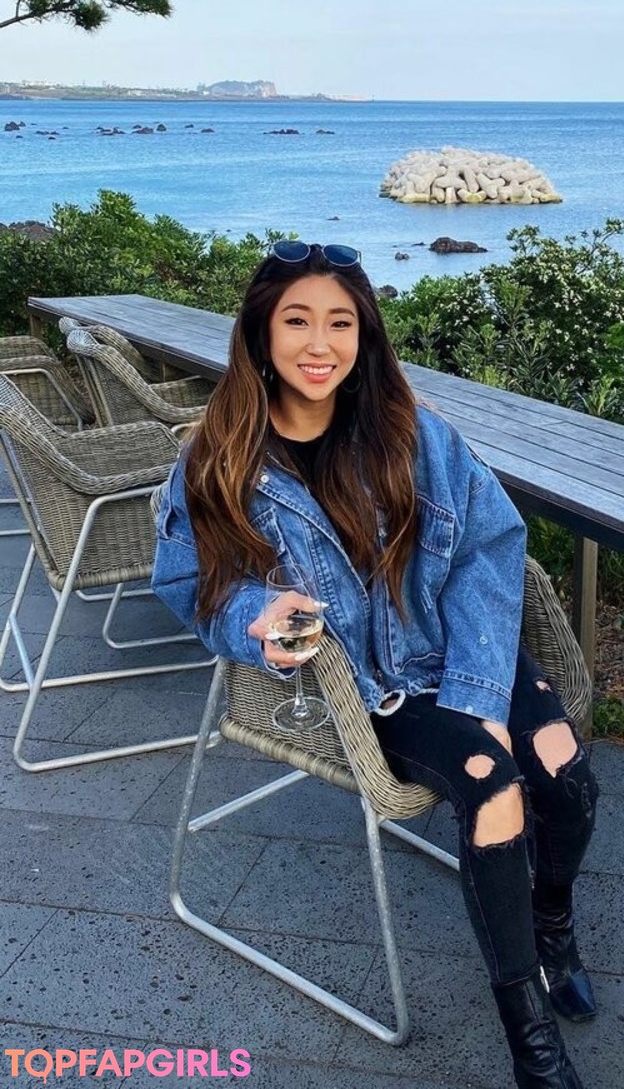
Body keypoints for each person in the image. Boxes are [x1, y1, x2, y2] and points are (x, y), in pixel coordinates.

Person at [152, 241, 598, 1089]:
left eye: (340, 323)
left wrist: (478, 692)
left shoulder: (414, 434)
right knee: (493, 785)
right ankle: (532, 1040)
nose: (319, 344)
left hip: (461, 644)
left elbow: (491, 544)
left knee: (563, 768)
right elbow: (187, 582)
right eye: (297, 321)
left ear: (364, 336)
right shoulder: (221, 457)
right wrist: (255, 617)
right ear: (261, 333)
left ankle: (552, 925)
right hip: (374, 686)